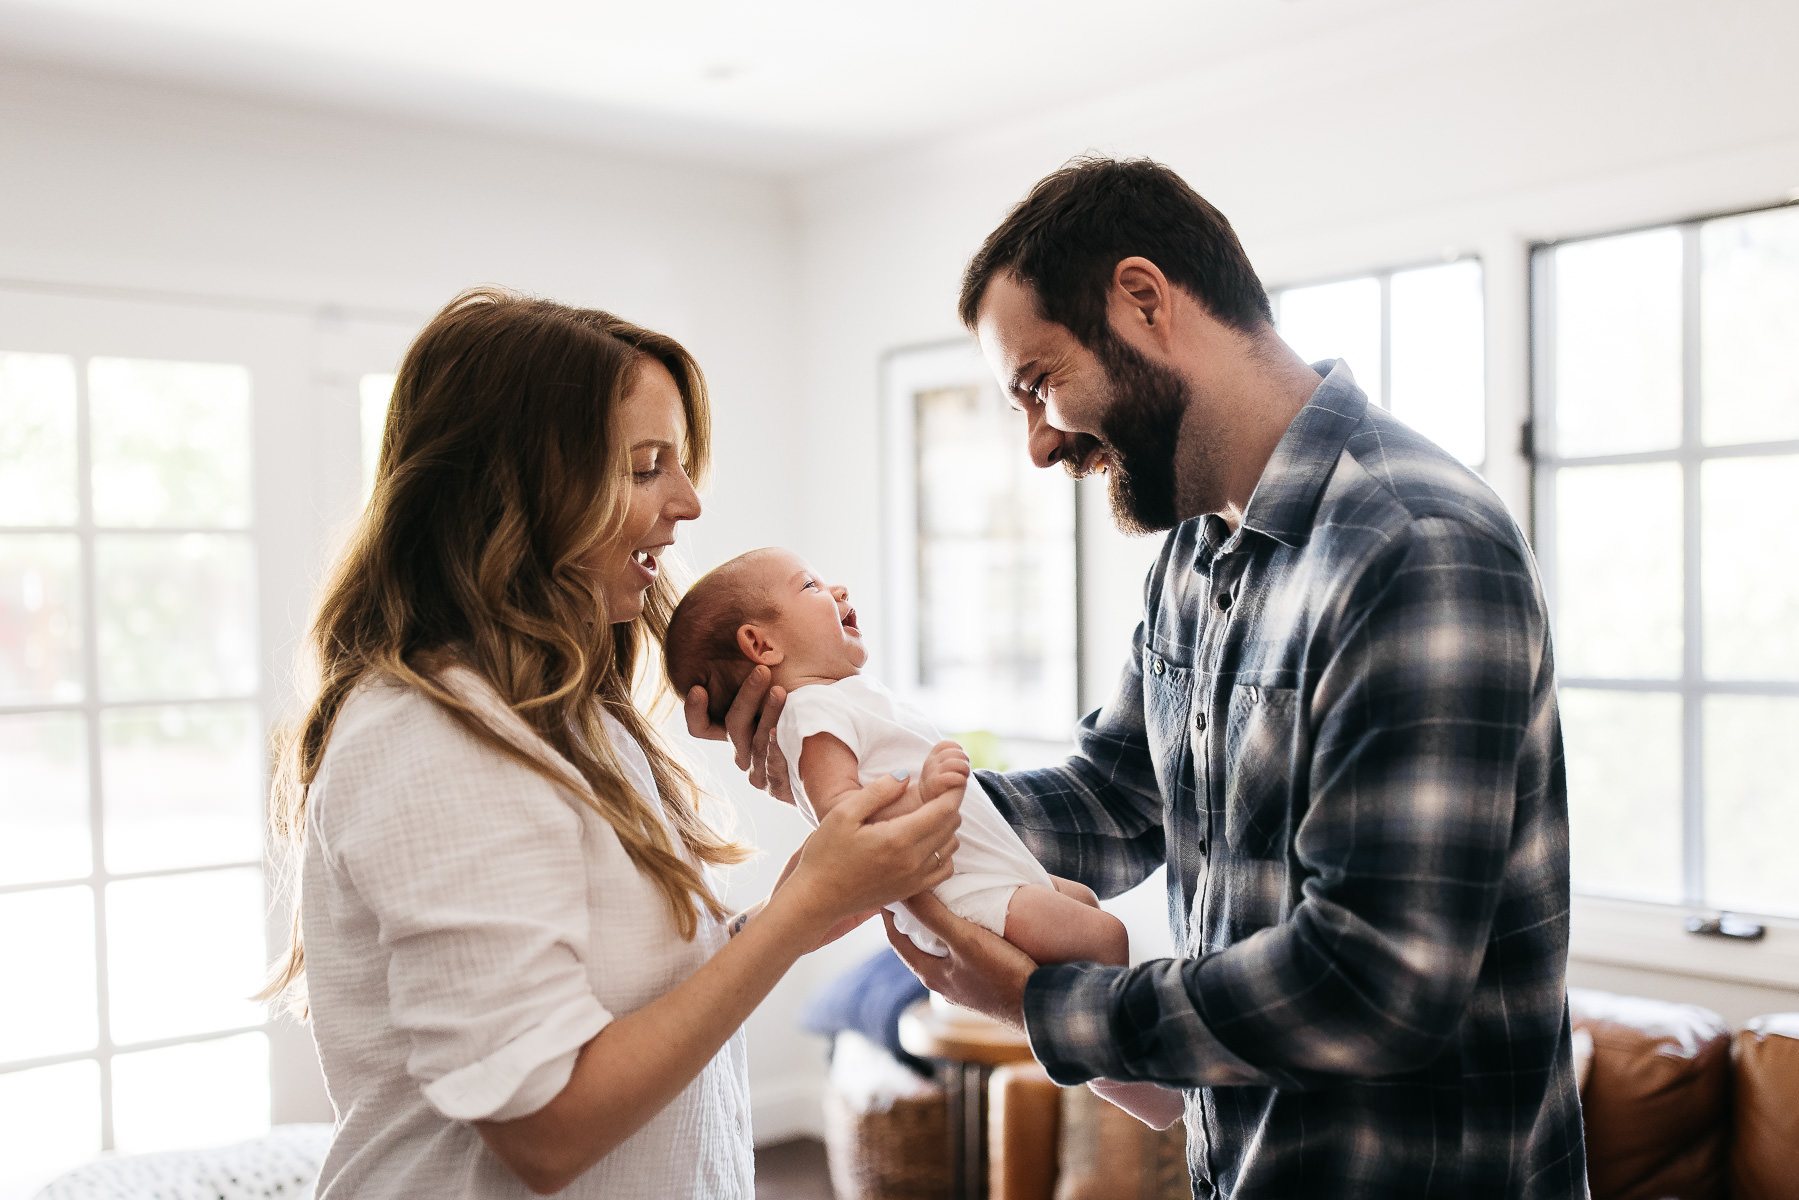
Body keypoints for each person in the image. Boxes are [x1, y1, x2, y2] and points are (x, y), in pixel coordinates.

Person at [691, 159, 1587, 1199]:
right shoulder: (1194, 556)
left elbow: (1370, 985)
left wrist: (1044, 1005)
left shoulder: (1412, 544)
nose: (1036, 442)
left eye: (1036, 383)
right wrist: (874, 800)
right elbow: (1117, 802)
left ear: (1142, 299)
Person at [258, 288, 961, 1200]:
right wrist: (791, 922)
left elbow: (632, 1004)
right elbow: (546, 1130)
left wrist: (807, 899)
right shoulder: (428, 736)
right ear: (517, 488)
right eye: (645, 466)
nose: (688, 502)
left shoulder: (574, 717)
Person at [663, 546, 1185, 1129]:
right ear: (761, 646)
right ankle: (1152, 1099)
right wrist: (927, 795)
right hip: (960, 893)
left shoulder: (844, 697)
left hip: (985, 869)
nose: (835, 590)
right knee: (1104, 936)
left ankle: (1145, 1088)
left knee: (1083, 908)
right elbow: (849, 825)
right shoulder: (812, 711)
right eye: (809, 586)